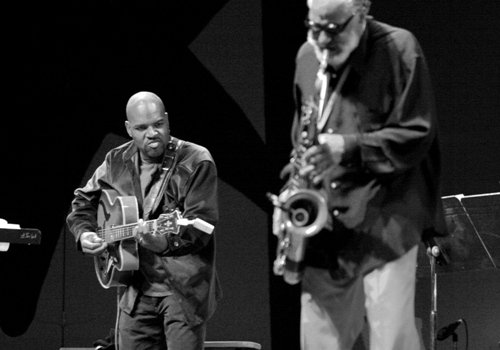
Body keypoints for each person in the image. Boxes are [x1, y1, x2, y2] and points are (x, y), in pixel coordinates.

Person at [273, 0, 447, 349]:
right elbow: (302, 140)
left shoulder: (399, 48)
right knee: (319, 341)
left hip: (385, 218)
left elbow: (417, 133)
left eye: (333, 29)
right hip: (326, 225)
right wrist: (291, 196)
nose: (322, 39)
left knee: (390, 340)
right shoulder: (308, 56)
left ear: (362, 11)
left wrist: (348, 147)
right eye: (314, 26)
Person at [67, 91, 221, 350]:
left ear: (167, 121)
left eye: (158, 124)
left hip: (183, 291)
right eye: (141, 128)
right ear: (129, 129)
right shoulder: (116, 160)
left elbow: (200, 228)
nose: (152, 133)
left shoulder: (196, 160)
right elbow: (82, 203)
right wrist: (84, 234)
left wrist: (159, 242)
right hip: (134, 289)